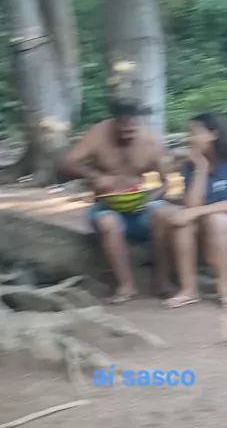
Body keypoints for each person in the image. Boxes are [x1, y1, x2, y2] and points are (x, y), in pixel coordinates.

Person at [62, 97, 170, 304]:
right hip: (107, 206)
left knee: (164, 214)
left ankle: (163, 281)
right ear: (114, 122)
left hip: (140, 208)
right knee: (108, 222)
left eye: (131, 131)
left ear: (138, 124)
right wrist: (95, 176)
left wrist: (148, 199)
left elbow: (165, 183)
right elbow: (67, 162)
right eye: (121, 130)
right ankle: (126, 285)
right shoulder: (98, 134)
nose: (126, 135)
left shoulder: (150, 141)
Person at [152, 112, 227, 309]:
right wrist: (201, 169)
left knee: (216, 220)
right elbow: (191, 204)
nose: (189, 138)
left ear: (213, 134)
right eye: (188, 133)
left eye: (194, 133)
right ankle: (188, 290)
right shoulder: (191, 167)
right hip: (202, 226)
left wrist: (194, 212)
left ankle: (226, 288)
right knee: (182, 223)